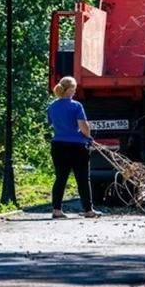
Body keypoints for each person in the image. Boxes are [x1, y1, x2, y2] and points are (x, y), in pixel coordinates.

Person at [47, 76, 100, 219]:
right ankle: (89, 210)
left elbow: (53, 124)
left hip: (58, 145)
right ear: (69, 90)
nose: (75, 92)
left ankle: (56, 210)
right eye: (74, 89)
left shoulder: (51, 106)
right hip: (77, 146)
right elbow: (83, 125)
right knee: (82, 178)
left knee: (60, 178)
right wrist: (88, 137)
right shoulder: (76, 106)